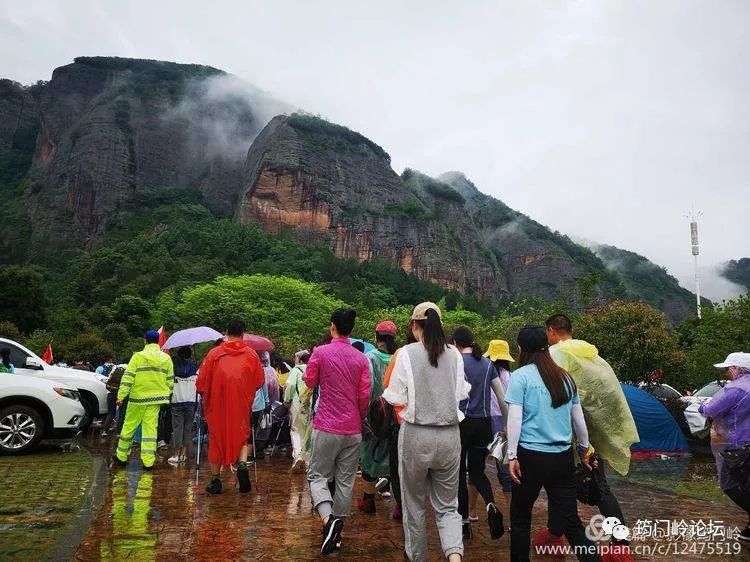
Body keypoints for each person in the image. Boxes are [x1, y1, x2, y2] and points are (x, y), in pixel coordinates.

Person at [539, 314, 638, 554]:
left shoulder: (555, 355)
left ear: (551, 331)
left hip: (566, 433)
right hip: (593, 432)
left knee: (560, 486)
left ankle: (555, 534)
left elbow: (550, 394)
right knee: (598, 484)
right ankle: (620, 544)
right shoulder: (593, 356)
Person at [505, 325, 599, 562]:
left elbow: (515, 418)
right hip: (562, 458)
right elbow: (578, 420)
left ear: (521, 348)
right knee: (571, 520)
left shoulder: (520, 377)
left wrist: (512, 455)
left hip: (530, 456)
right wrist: (584, 449)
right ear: (546, 347)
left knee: (520, 518)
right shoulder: (565, 377)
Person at [383, 302, 468, 562]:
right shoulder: (455, 354)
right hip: (450, 436)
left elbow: (394, 395)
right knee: (447, 507)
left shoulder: (406, 353)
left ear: (413, 325)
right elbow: (460, 394)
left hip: (416, 435)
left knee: (413, 505)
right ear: (440, 325)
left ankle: (418, 557)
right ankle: (454, 556)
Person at [303, 309, 370, 556]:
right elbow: (364, 396)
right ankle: (337, 529)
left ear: (332, 327)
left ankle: (328, 521)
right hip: (353, 429)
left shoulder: (320, 352)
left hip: (327, 425)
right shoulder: (361, 359)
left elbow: (310, 381)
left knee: (318, 475)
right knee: (345, 480)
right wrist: (360, 417)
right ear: (351, 330)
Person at [451, 326, 507, 540]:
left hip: (462, 423)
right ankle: (490, 503)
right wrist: (506, 426)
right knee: (477, 472)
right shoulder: (487, 364)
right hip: (483, 425)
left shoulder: (456, 363)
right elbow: (501, 398)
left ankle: (464, 524)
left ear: (455, 343)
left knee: (458, 473)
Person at [197, 320, 265, 494]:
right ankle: (242, 465)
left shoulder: (213, 354)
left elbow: (201, 383)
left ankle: (215, 479)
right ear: (244, 333)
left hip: (217, 403)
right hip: (241, 402)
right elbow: (259, 381)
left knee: (216, 436)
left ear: (226, 332)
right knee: (242, 434)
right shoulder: (251, 355)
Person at [700, 352, 750, 540]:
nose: (727, 372)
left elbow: (711, 408)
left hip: (735, 445)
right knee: (747, 484)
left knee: (729, 484)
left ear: (738, 368)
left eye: (729, 368)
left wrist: (701, 407)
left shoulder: (735, 389)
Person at [112, 330, 174, 470]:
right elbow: (170, 381)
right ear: (158, 341)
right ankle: (148, 461)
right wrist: (165, 394)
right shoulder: (166, 358)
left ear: (145, 341)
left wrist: (121, 396)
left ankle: (121, 457)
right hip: (156, 400)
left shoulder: (137, 357)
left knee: (129, 426)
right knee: (150, 429)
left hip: (137, 399)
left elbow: (128, 378)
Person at [358, 320, 399, 515]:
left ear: (377, 337)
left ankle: (368, 500)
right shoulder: (399, 357)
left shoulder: (369, 358)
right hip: (396, 416)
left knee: (369, 456)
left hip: (373, 415)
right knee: (392, 456)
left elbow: (365, 389)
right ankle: (395, 499)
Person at [283, 349, 312, 472]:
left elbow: (289, 386)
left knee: (295, 430)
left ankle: (298, 456)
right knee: (308, 432)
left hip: (297, 404)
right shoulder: (313, 369)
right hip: (311, 405)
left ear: (299, 360)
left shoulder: (296, 370)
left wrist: (286, 400)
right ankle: (308, 461)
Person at [169, 346, 198, 464]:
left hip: (177, 400)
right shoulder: (194, 367)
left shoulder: (173, 367)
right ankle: (184, 454)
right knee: (188, 428)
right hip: (190, 400)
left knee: (177, 428)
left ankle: (176, 454)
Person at [102, 366, 125, 435]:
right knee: (121, 413)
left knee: (110, 413)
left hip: (111, 393)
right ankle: (119, 432)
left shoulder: (115, 369)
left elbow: (107, 383)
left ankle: (105, 431)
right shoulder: (127, 370)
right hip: (121, 394)